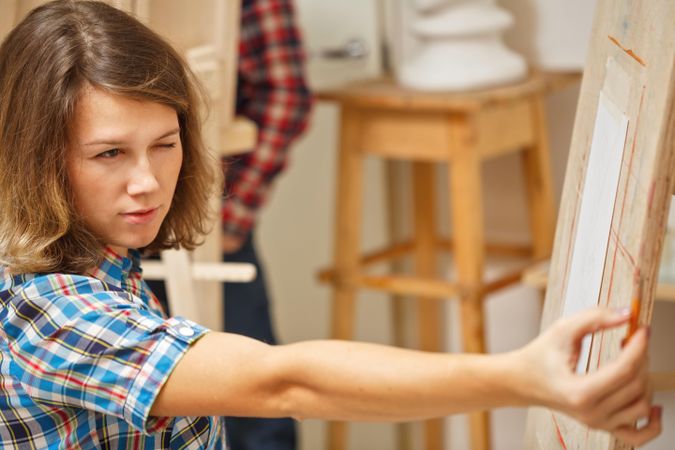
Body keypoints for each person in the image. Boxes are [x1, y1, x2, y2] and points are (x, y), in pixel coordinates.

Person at [0, 2, 661, 449]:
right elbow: (285, 381)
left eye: (165, 144)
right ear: (37, 159)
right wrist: (523, 375)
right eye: (109, 154)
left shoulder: (104, 257)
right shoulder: (48, 309)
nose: (147, 181)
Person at [146, 0, 311, 448]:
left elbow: (287, 96)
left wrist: (232, 216)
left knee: (258, 407)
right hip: (99, 245)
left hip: (210, 234)